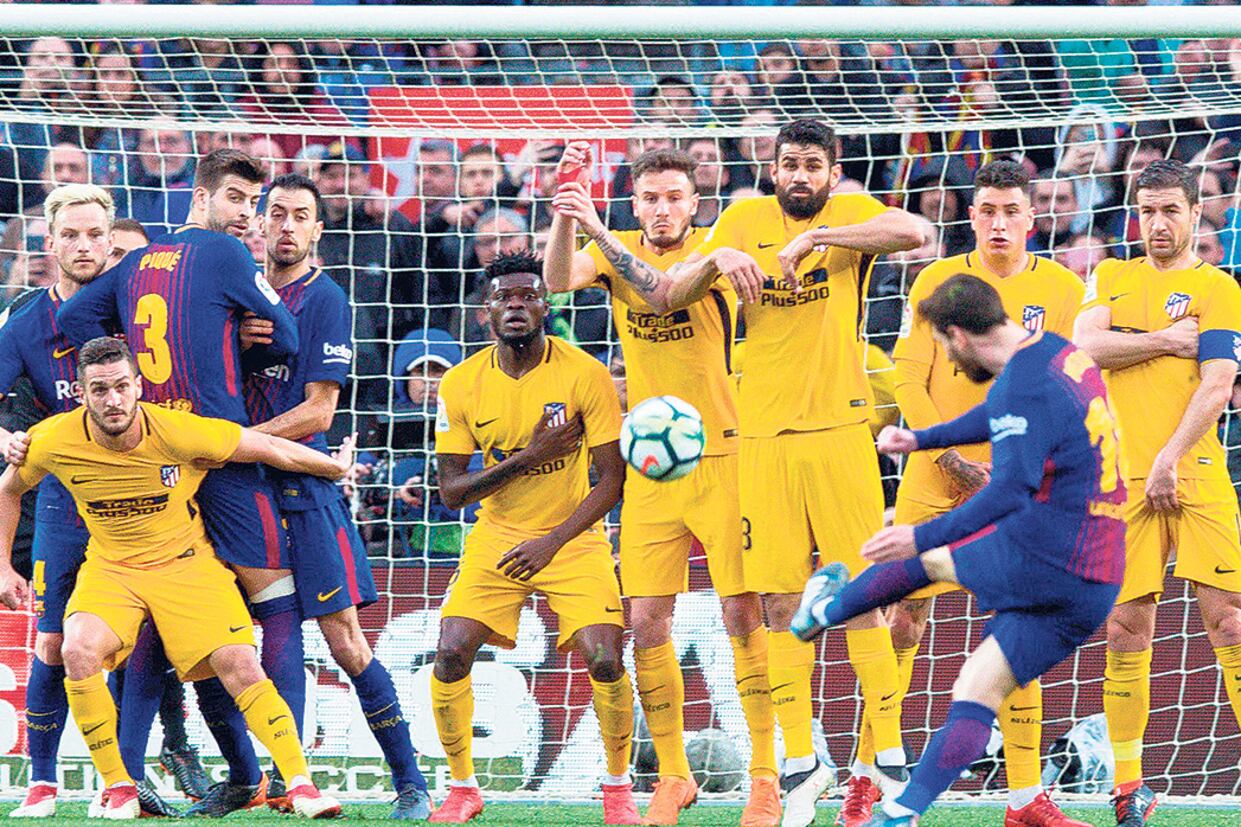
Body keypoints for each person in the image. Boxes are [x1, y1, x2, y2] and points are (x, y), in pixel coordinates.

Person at [619, 118, 924, 827]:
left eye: (811, 165)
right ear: (772, 166)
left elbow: (911, 233)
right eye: (788, 163)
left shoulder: (849, 215)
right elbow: (668, 293)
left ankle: (885, 752)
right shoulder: (743, 217)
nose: (798, 176)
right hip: (757, 437)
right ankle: (798, 759)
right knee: (781, 605)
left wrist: (819, 237)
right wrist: (720, 255)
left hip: (841, 431)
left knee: (857, 593)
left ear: (830, 170)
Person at [791, 274, 1125, 827]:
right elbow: (1001, 414)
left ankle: (821, 614)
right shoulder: (1060, 353)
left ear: (957, 335)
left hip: (1051, 554)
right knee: (977, 688)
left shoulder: (1022, 385)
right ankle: (899, 813)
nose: (946, 359)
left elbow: (1009, 487)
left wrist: (919, 533)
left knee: (924, 560)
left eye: (944, 346)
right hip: (1098, 578)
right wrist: (922, 438)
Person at [0, 337, 347, 820]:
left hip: (186, 565)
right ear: (81, 393)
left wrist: (333, 466)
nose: (113, 400)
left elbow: (266, 447)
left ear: (138, 387)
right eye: (100, 390)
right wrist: (2, 566)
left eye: (122, 386)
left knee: (240, 664)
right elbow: (7, 490)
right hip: (113, 569)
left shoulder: (178, 431)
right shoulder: (54, 440)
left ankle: (301, 783)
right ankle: (118, 787)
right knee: (74, 648)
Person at [55, 148, 304, 817]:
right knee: (274, 602)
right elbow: (286, 337)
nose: (245, 216)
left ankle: (137, 779)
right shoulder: (225, 258)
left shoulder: (137, 263)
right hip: (215, 458)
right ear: (200, 197)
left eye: (252, 204)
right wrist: (246, 340)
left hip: (146, 454)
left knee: (154, 628)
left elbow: (77, 322)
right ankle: (283, 776)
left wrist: (125, 363)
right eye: (235, 200)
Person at [546, 144, 778, 827]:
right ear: (634, 204)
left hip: (721, 453)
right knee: (646, 620)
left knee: (742, 611)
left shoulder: (715, 248)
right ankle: (673, 774)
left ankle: (764, 773)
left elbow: (661, 290)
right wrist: (568, 207)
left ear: (693, 203)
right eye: (649, 198)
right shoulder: (609, 244)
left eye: (674, 196)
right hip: (652, 464)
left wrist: (593, 225)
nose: (661, 208)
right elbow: (558, 279)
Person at [878, 161, 1088, 827]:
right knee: (901, 618)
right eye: (986, 210)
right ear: (970, 216)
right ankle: (872, 774)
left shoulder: (1059, 287)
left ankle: (1024, 797)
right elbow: (906, 375)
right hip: (931, 477)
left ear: (1032, 218)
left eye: (1010, 211)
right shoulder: (937, 280)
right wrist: (942, 451)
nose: (998, 222)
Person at [241, 173, 431, 819]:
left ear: (319, 229)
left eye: (301, 216)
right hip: (241, 492)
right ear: (259, 223)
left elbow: (320, 411)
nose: (287, 226)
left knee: (346, 641)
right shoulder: (237, 296)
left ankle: (410, 780)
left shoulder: (324, 299)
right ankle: (276, 779)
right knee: (269, 641)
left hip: (303, 489)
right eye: (277, 214)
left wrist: (236, 440)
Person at [428, 253, 637, 824]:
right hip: (496, 535)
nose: (516, 306)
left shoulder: (585, 374)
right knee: (449, 653)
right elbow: (451, 492)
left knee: (606, 659)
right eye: (504, 298)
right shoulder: (461, 382)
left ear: (547, 305)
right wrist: (531, 457)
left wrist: (552, 543)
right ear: (484, 313)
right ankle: (463, 787)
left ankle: (617, 788)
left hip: (573, 537)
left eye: (528, 296)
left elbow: (612, 481)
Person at [1073, 159, 1241, 827]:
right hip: (1122, 479)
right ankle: (1127, 785)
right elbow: (1084, 346)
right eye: (1148, 211)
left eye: (1172, 210)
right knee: (1124, 627)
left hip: (1193, 470)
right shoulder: (1112, 276)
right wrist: (1167, 339)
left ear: (1194, 214)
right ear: (1134, 215)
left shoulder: (1216, 285)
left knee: (1229, 617)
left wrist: (1170, 456)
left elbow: (1216, 380)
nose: (1159, 222)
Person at [0, 184, 170, 818]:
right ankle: (41, 781)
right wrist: (7, 437)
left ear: (111, 239)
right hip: (63, 509)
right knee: (50, 644)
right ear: (51, 243)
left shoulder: (143, 310)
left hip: (145, 504)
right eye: (70, 234)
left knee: (142, 638)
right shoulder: (25, 326)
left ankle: (125, 777)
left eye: (95, 234)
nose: (83, 245)